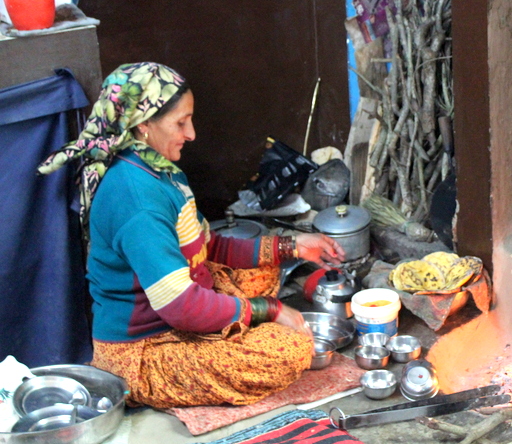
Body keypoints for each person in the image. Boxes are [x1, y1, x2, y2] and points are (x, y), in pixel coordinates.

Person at [38, 62, 345, 409]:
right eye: (181, 123)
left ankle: (232, 322)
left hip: (178, 309)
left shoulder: (159, 169)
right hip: (146, 349)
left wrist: (293, 246)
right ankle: (159, 377)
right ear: (143, 125)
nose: (192, 133)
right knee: (288, 351)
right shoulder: (137, 201)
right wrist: (270, 309)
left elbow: (205, 246)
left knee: (265, 269)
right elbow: (181, 307)